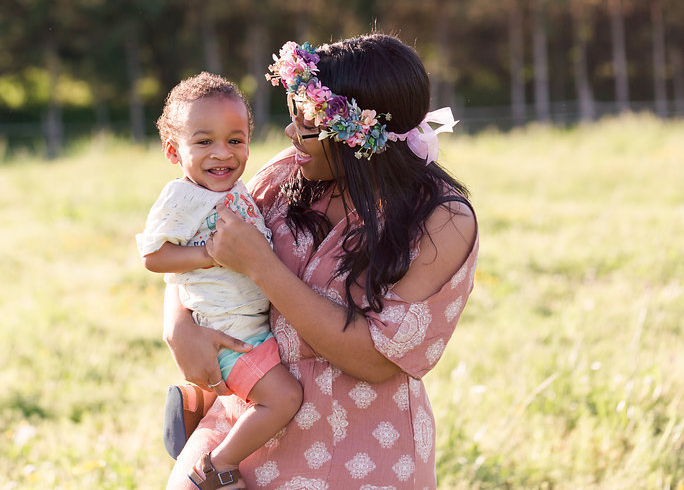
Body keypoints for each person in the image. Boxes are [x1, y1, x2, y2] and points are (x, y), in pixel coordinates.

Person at [164, 35, 478, 489]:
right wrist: (177, 324)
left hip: (359, 449)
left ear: (354, 134)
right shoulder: (285, 174)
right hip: (246, 427)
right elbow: (200, 242)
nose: (292, 135)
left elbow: (375, 361)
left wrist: (263, 268)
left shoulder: (440, 220)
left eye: (307, 125)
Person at [137, 72, 304, 490]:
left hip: (247, 323)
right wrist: (208, 255)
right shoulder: (182, 197)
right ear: (174, 151)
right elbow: (153, 255)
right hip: (231, 333)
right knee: (284, 398)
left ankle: (197, 402)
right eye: (204, 141)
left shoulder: (234, 189)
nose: (222, 154)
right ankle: (215, 467)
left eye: (235, 140)